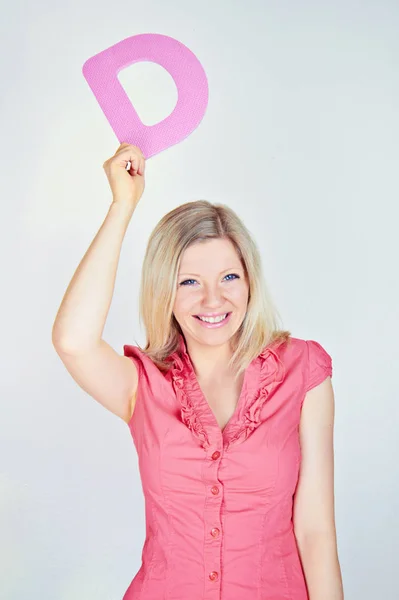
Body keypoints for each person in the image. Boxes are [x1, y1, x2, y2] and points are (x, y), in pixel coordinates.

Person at [52, 143, 344, 600]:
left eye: (229, 277)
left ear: (250, 281)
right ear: (163, 290)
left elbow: (315, 532)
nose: (213, 300)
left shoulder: (303, 372)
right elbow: (73, 341)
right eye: (189, 281)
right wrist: (122, 206)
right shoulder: (142, 386)